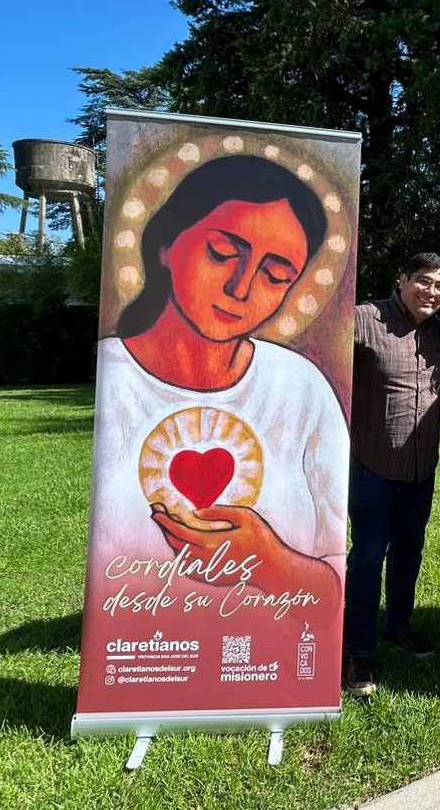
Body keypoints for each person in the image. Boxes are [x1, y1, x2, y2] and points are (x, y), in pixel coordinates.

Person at [92, 154, 346, 617]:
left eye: (275, 276)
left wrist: (269, 562)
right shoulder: (113, 377)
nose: (241, 288)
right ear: (167, 243)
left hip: (269, 646)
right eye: (223, 253)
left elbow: (332, 594)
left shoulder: (301, 388)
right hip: (149, 644)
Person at [343, 253, 440, 697]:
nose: (432, 292)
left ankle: (398, 624)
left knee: (409, 549)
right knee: (368, 555)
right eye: (424, 281)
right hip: (372, 464)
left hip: (421, 468)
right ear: (402, 279)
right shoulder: (365, 319)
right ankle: (358, 650)